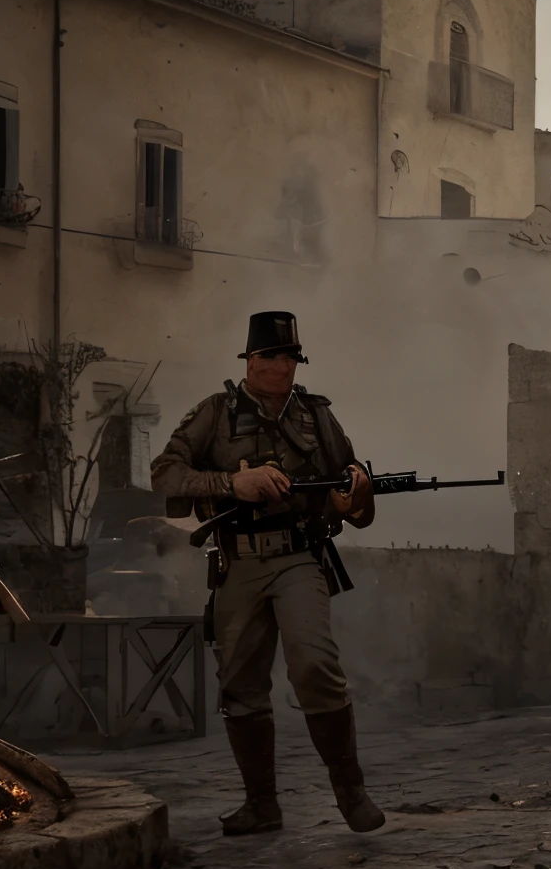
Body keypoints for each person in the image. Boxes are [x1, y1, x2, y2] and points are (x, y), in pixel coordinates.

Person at [150, 311, 383, 835]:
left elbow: (354, 497)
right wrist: (235, 483)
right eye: (271, 356)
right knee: (239, 685)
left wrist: (357, 497)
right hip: (240, 561)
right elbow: (165, 472)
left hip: (301, 556)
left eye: (290, 357)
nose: (281, 366)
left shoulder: (317, 417)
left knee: (316, 668)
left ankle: (352, 793)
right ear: (251, 361)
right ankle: (262, 804)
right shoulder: (215, 413)